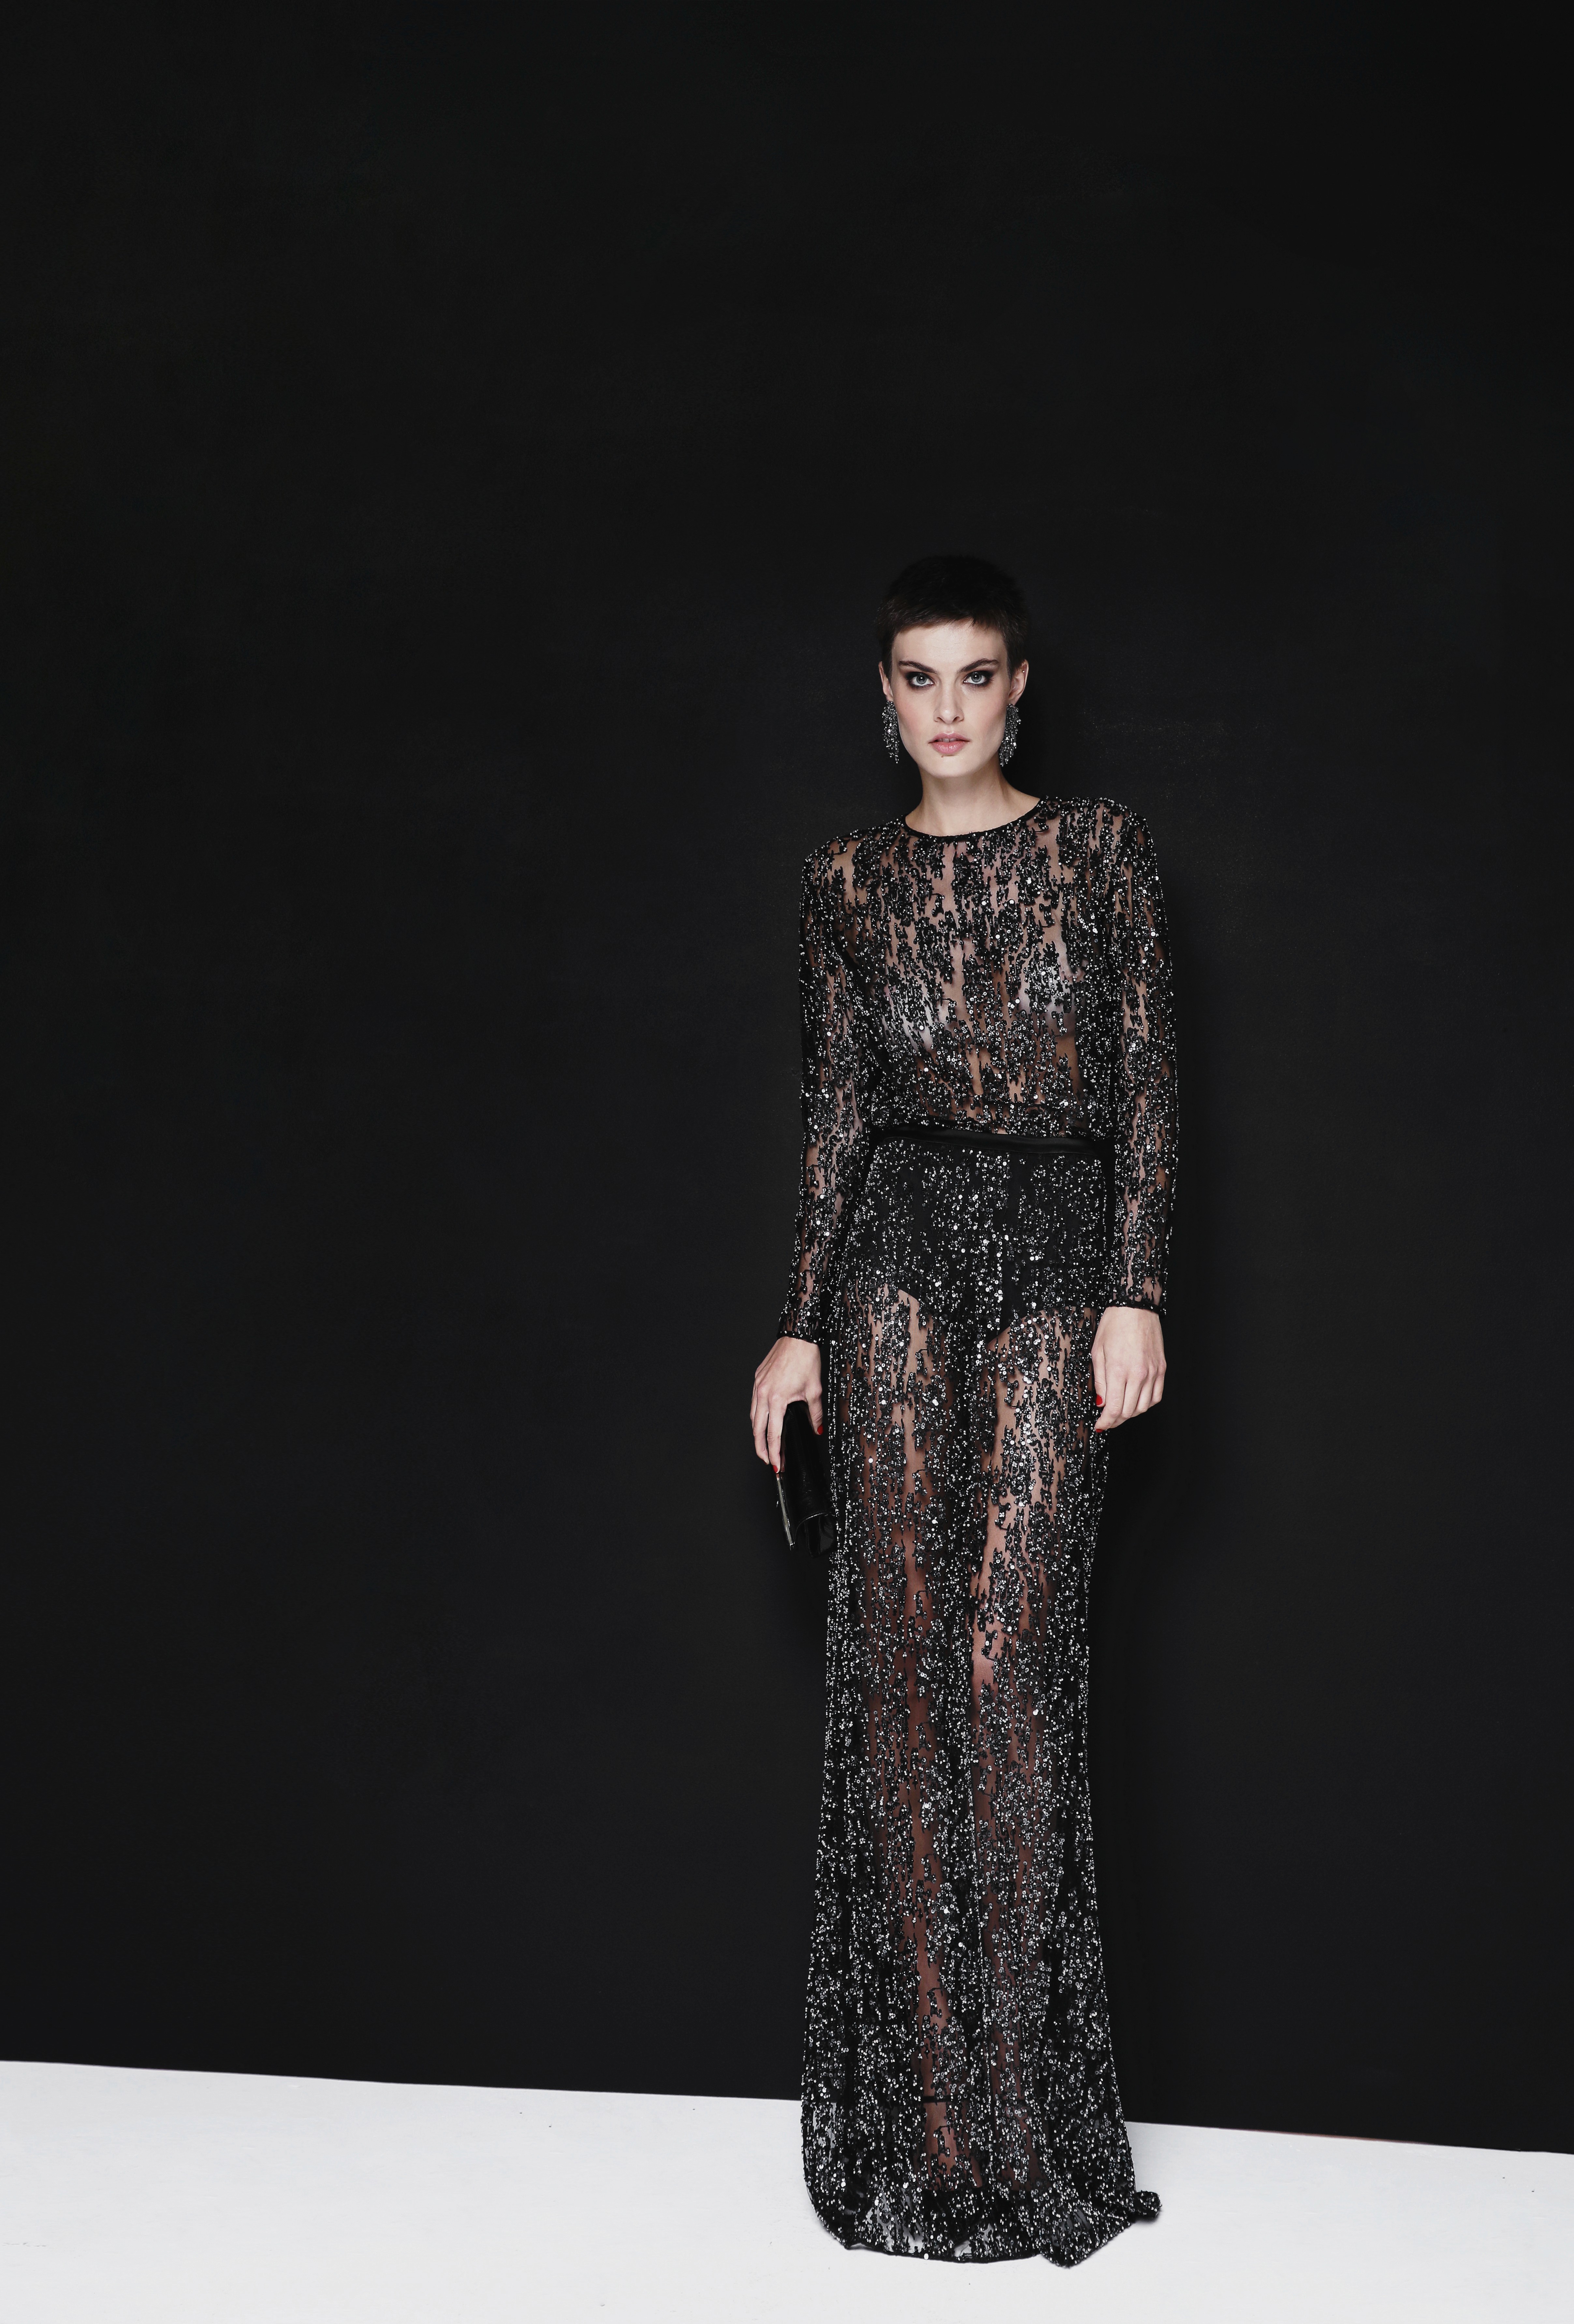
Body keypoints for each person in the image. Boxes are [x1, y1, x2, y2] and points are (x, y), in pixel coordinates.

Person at [750, 555, 1176, 2267]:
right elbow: (834, 1112)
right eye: (917, 678)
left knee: (1010, 1681)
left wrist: (1140, 1289)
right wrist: (798, 1326)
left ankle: (1021, 2127)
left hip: (1060, 1254)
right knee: (905, 1686)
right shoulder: (845, 881)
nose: (947, 707)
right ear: (886, 697)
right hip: (897, 1268)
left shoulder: (1102, 850)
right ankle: (929, 2132)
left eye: (974, 675)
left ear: (1017, 691)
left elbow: (1146, 1078)